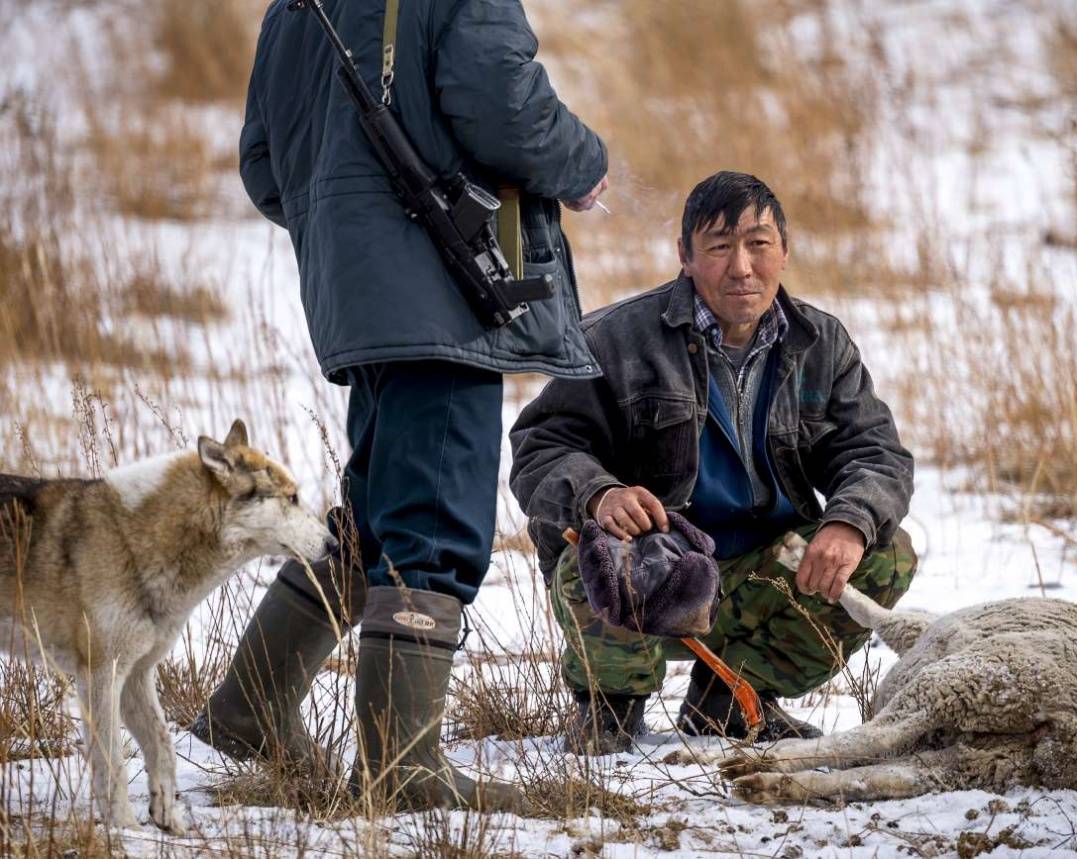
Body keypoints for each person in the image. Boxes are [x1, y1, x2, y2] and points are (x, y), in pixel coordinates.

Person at [190, 0, 607, 812]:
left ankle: (248, 709)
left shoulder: (293, 8)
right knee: (432, 528)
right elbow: (500, 103)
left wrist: (350, 226)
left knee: (374, 518)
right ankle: (403, 770)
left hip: (359, 296)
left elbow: (264, 164)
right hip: (442, 295)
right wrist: (583, 162)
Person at [509, 171, 917, 753]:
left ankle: (728, 699)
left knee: (884, 553)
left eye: (758, 244)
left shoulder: (821, 343)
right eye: (720, 247)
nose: (742, 267)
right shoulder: (615, 338)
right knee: (598, 551)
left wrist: (849, 522)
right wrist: (600, 494)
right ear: (685, 256)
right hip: (658, 563)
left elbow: (875, 452)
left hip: (764, 569)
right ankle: (609, 709)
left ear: (785, 250)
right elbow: (540, 448)